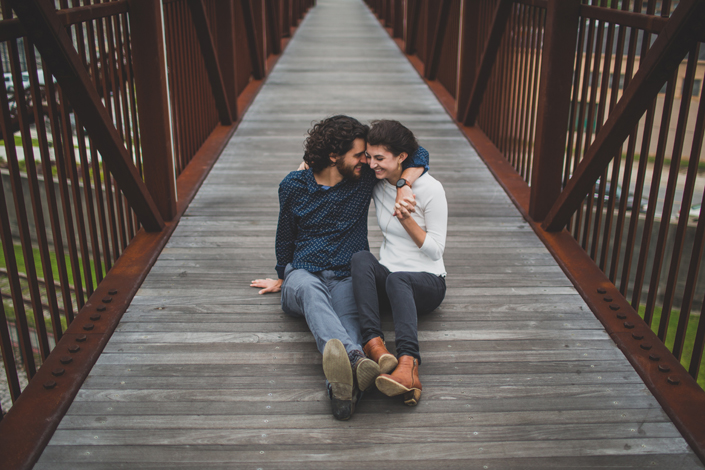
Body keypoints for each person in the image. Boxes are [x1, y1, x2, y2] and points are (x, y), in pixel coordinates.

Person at [250, 115, 429, 420]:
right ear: (334, 156)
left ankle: (343, 389)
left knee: (350, 323)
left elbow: (418, 152)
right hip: (303, 274)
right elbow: (285, 236)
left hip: (346, 277)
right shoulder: (293, 185)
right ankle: (355, 356)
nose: (367, 162)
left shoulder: (361, 182)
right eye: (359, 154)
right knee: (309, 289)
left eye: (368, 156)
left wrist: (403, 184)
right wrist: (283, 276)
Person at [351, 120, 447, 406]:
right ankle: (375, 348)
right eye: (369, 156)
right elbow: (421, 153)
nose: (371, 164)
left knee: (398, 278)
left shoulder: (431, 190)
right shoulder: (377, 182)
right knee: (360, 258)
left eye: (379, 158)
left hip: (426, 282)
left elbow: (435, 250)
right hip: (389, 278)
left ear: (401, 158)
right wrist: (307, 164)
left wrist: (406, 218)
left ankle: (409, 365)